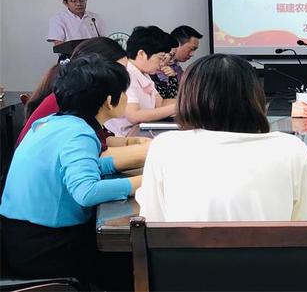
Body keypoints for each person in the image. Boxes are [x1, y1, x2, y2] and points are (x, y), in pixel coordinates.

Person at [0, 56, 141, 282]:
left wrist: (126, 166)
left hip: (18, 239)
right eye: (124, 92)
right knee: (133, 260)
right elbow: (87, 192)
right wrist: (143, 181)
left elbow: (76, 166)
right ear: (108, 101)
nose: (126, 97)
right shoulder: (79, 133)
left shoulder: (51, 122)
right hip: (46, 248)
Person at [136, 54, 307, 222]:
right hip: (273, 250)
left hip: (185, 250)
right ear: (254, 97)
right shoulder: (290, 149)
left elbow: (153, 219)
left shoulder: (166, 147)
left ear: (188, 98)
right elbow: (304, 214)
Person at [17, 38, 150, 171]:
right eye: (118, 71)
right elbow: (96, 158)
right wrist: (148, 151)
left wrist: (132, 142)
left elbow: (100, 141)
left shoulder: (75, 95)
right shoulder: (69, 102)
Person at [105, 26, 176, 137]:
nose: (162, 64)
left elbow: (160, 104)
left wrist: (189, 103)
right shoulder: (127, 73)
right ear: (142, 54)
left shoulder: (143, 73)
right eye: (160, 58)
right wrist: (176, 108)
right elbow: (134, 116)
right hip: (123, 138)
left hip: (140, 132)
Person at [151, 25, 203, 99]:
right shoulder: (158, 68)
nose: (192, 54)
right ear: (177, 44)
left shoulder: (176, 66)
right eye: (191, 49)